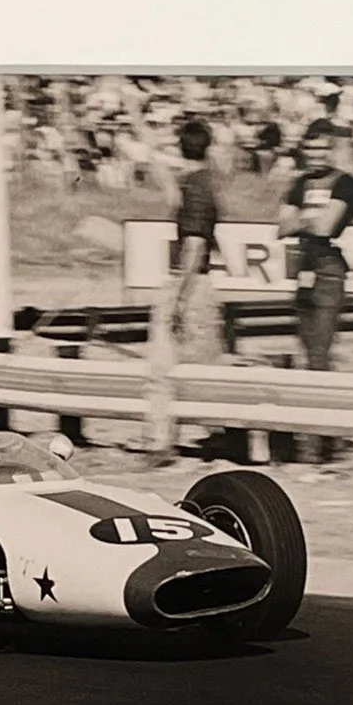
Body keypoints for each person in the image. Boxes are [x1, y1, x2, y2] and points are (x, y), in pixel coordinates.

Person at [277, 119, 353, 461]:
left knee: (320, 354)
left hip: (330, 269)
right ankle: (323, 438)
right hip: (303, 268)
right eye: (310, 149)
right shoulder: (299, 183)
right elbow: (280, 227)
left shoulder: (348, 184)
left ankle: (318, 443)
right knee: (308, 353)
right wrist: (305, 219)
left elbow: (326, 225)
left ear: (333, 149)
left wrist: (300, 218)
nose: (315, 155)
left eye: (322, 148)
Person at [143, 119, 223, 463]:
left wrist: (179, 298)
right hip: (198, 283)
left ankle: (162, 442)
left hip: (188, 282)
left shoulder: (195, 189)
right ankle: (202, 434)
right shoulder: (202, 183)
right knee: (201, 364)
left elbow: (194, 246)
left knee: (162, 365)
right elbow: (171, 189)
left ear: (181, 147)